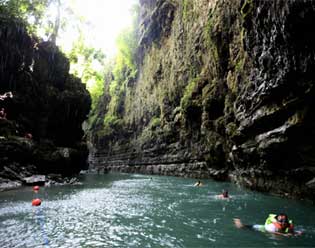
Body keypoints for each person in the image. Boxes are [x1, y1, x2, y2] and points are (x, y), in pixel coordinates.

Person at [233, 213, 300, 236]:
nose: (283, 222)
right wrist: (284, 234)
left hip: (269, 229)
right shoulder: (273, 226)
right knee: (241, 227)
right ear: (278, 221)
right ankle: (237, 219)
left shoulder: (288, 224)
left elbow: (290, 230)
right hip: (260, 228)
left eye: (285, 221)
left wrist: (295, 233)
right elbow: (271, 232)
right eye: (281, 221)